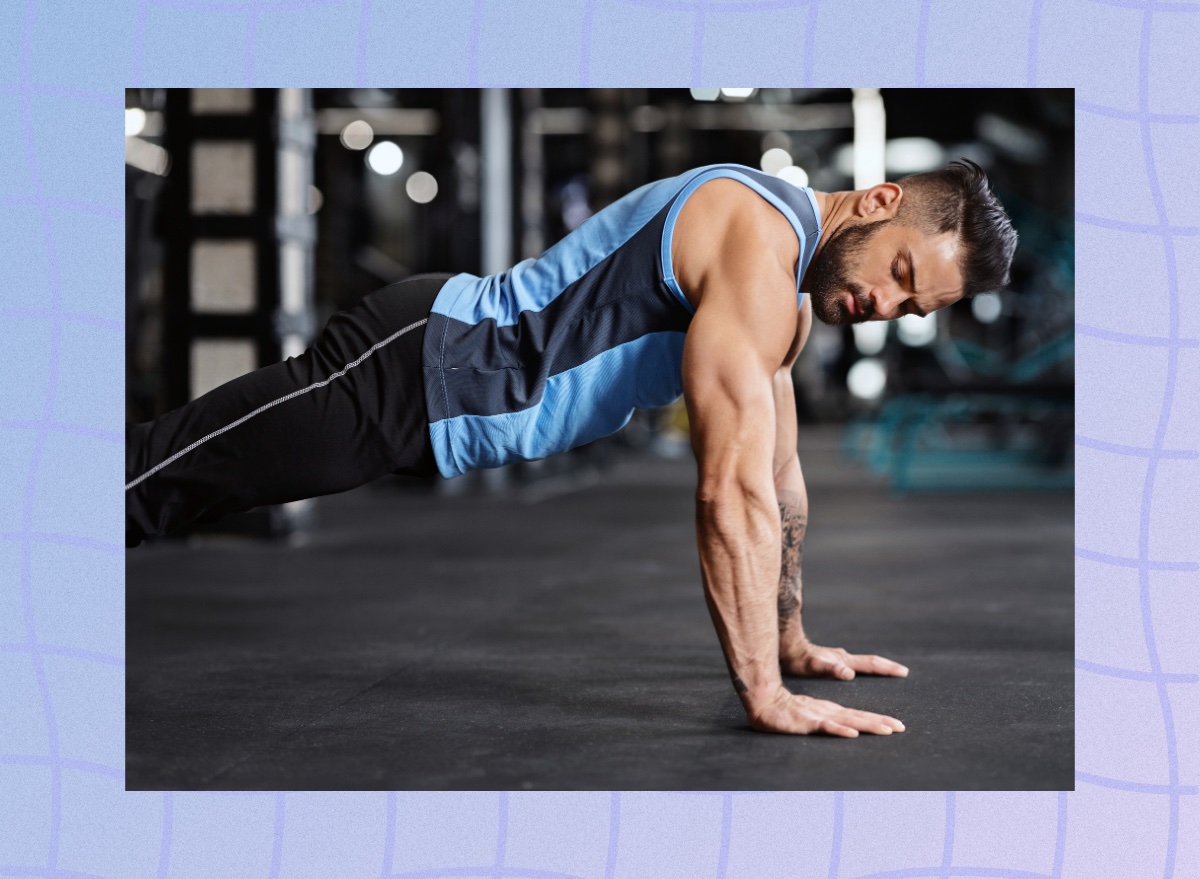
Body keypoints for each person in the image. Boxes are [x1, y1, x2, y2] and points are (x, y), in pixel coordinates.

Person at [126, 159, 1018, 737]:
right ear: (881, 202)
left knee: (180, 488)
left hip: (440, 415)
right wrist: (762, 693)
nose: (885, 304)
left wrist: (791, 641)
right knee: (157, 480)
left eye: (912, 307)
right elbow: (727, 491)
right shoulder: (759, 238)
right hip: (413, 367)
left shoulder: (786, 300)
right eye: (900, 273)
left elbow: (780, 480)